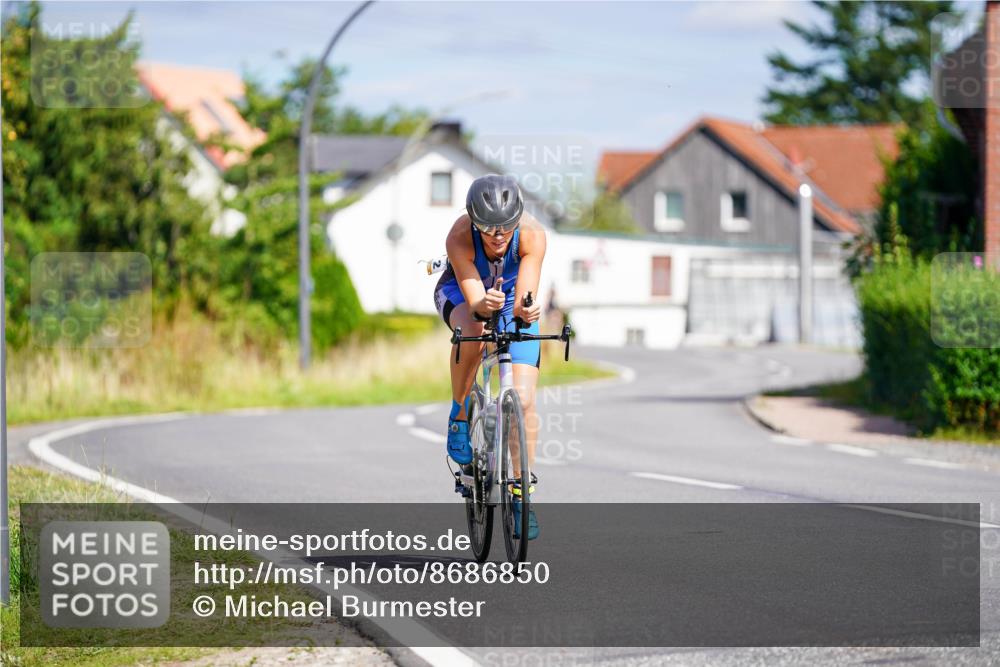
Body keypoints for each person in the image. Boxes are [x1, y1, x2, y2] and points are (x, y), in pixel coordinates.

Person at [433, 174, 546, 540]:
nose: (498, 237)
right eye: (488, 228)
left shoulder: (532, 235)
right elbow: (475, 299)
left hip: (510, 295)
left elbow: (525, 295)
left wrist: (527, 312)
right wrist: (483, 304)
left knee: (525, 401)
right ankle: (459, 413)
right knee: (475, 326)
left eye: (505, 228)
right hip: (463, 292)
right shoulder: (459, 236)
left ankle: (519, 490)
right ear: (473, 220)